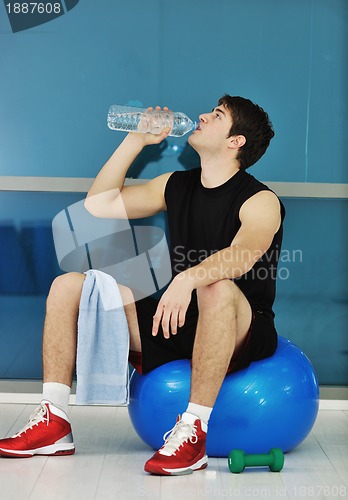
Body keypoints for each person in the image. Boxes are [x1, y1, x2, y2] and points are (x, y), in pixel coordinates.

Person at [0, 95, 285, 476]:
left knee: (215, 286)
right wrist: (134, 141)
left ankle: (194, 432)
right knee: (68, 285)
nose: (201, 115)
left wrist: (188, 278)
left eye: (216, 116)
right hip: (181, 319)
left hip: (240, 324)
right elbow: (99, 205)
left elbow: (244, 254)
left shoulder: (260, 199)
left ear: (236, 141)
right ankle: (54, 421)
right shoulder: (175, 185)